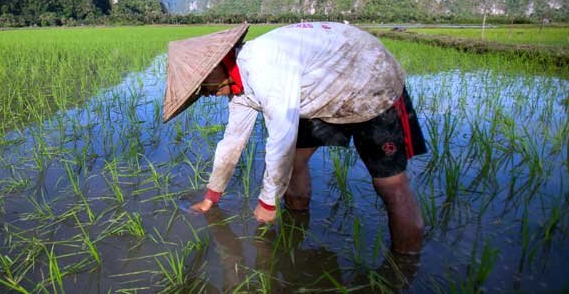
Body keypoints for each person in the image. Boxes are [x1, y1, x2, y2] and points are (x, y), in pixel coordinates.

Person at [162, 22, 427, 254]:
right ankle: (297, 231)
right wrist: (211, 198)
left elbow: (282, 137)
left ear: (217, 64)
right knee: (295, 164)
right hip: (319, 91)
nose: (205, 94)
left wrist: (267, 202)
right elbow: (231, 142)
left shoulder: (264, 67)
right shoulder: (237, 87)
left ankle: (404, 269)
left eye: (203, 86)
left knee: (391, 185)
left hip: (371, 78)